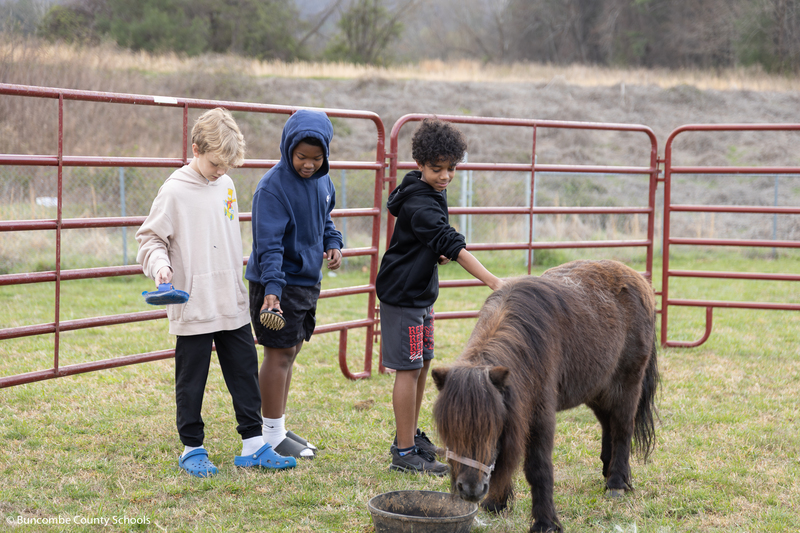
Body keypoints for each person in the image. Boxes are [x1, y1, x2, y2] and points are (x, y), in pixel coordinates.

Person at [136, 107, 296, 477]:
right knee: (191, 379)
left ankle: (254, 444)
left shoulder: (226, 184)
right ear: (195, 148)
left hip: (229, 298)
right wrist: (161, 267)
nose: (221, 171)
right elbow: (150, 238)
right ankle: (192, 448)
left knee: (243, 371)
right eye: (214, 164)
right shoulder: (173, 191)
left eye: (227, 165)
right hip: (192, 303)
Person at [376, 118, 504, 475]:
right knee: (408, 367)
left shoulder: (428, 189)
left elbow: (433, 240)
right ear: (419, 164)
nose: (445, 176)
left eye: (451, 169)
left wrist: (434, 251)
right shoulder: (420, 203)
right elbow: (450, 241)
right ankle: (403, 453)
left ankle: (411, 436)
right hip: (403, 297)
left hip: (420, 295)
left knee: (423, 362)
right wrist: (495, 282)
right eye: (437, 169)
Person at [246, 109, 343, 460]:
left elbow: (325, 218)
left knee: (293, 349)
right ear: (288, 148)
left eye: (317, 158)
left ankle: (278, 427)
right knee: (279, 352)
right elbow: (267, 243)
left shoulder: (323, 181)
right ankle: (270, 435)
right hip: (277, 283)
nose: (308, 165)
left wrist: (332, 242)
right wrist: (272, 289)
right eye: (301, 157)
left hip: (305, 281)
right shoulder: (272, 188)